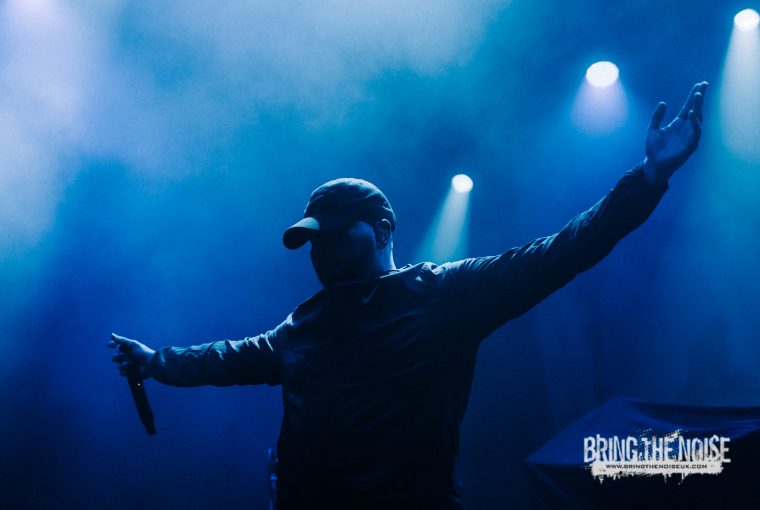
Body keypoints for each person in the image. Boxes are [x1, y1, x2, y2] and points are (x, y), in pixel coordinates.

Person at [110, 82, 708, 509]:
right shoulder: (304, 325)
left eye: (335, 236)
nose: (321, 250)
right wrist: (156, 361)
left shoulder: (443, 294)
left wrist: (649, 177)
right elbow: (226, 358)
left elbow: (561, 252)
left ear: (382, 231)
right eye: (313, 241)